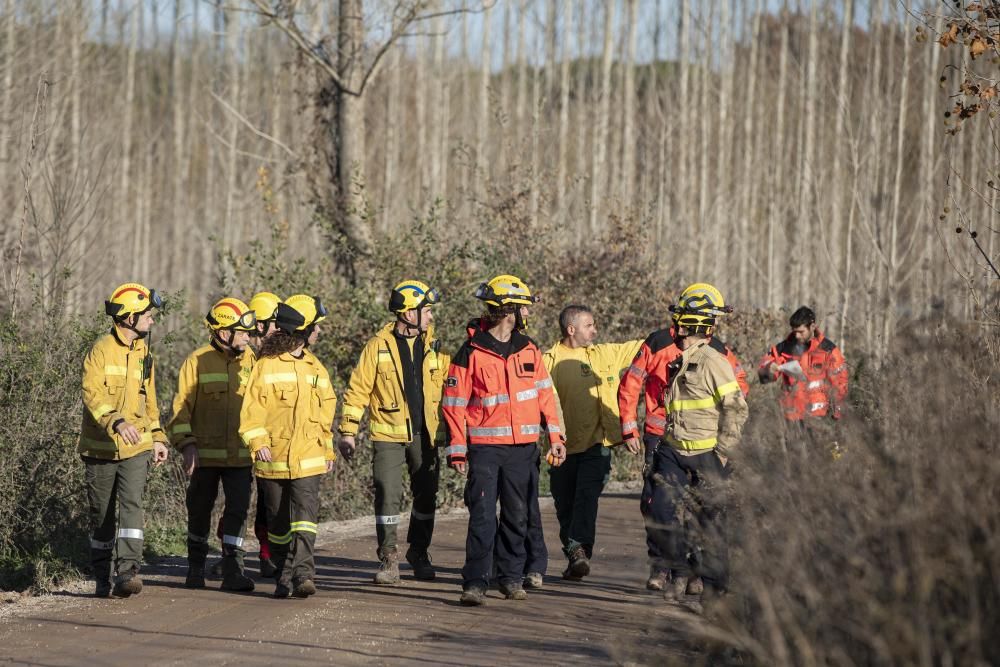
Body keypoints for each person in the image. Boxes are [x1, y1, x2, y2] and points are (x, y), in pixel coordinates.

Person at [442, 274, 567, 606]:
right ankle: (475, 582)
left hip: (523, 449)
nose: (528, 313)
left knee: (517, 515)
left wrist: (556, 436)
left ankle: (511, 578)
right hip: (484, 450)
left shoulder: (529, 349)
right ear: (509, 310)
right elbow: (453, 404)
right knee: (482, 515)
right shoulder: (470, 352)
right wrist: (457, 449)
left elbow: (545, 397)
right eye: (524, 307)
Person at [617, 284, 749, 592]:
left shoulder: (718, 354)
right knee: (655, 504)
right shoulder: (657, 343)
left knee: (702, 510)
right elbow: (631, 383)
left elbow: (738, 392)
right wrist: (628, 425)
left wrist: (723, 440)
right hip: (661, 435)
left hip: (704, 443)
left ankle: (696, 572)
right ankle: (663, 565)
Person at [338, 280, 448, 585]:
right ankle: (388, 557)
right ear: (409, 313)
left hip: (426, 434)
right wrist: (348, 431)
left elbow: (454, 388)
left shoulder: (435, 347)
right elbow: (358, 389)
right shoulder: (378, 345)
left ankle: (419, 552)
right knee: (387, 495)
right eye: (426, 311)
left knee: (427, 495)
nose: (430, 316)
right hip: (388, 435)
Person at [239, 294, 337, 598]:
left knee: (306, 516)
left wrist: (328, 448)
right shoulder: (266, 366)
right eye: (316, 327)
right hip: (274, 458)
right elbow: (252, 411)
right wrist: (258, 442)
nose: (320, 332)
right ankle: (283, 571)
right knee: (278, 524)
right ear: (303, 330)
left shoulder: (315, 368)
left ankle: (304, 574)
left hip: (308, 457)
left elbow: (325, 413)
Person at [79, 282, 170, 598]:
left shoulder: (146, 353)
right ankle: (102, 576)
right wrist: (115, 421)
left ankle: (127, 571)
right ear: (129, 317)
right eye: (147, 315)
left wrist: (158, 438)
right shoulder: (101, 350)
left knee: (132, 504)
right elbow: (92, 392)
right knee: (101, 517)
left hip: (137, 448)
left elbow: (150, 401)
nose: (152, 320)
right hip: (100, 448)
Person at [541, 305, 642, 581]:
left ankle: (578, 550)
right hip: (561, 448)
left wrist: (679, 329)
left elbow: (643, 347)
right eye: (590, 325)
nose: (595, 330)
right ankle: (575, 554)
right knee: (565, 505)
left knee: (586, 499)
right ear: (571, 329)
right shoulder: (547, 361)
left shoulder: (603, 353)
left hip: (597, 445)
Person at [168, 297, 258, 593]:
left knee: (237, 513)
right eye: (241, 330)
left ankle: (233, 571)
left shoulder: (252, 361)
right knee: (199, 510)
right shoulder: (196, 361)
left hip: (241, 457)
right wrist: (187, 445)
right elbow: (180, 410)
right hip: (203, 457)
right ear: (223, 333)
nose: (248, 335)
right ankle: (195, 569)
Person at [758, 306, 848, 430]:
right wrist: (768, 369)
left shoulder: (828, 350)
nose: (797, 336)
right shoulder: (783, 348)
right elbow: (764, 375)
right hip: (790, 419)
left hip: (820, 418)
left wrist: (836, 416)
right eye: (795, 332)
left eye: (801, 332)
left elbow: (840, 385)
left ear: (812, 327)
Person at [246, 291, 284, 578]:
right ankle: (230, 555)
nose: (279, 329)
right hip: (241, 444)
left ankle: (267, 554)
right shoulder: (244, 357)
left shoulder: (275, 357)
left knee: (266, 502)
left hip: (270, 444)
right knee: (238, 502)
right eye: (274, 323)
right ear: (260, 325)